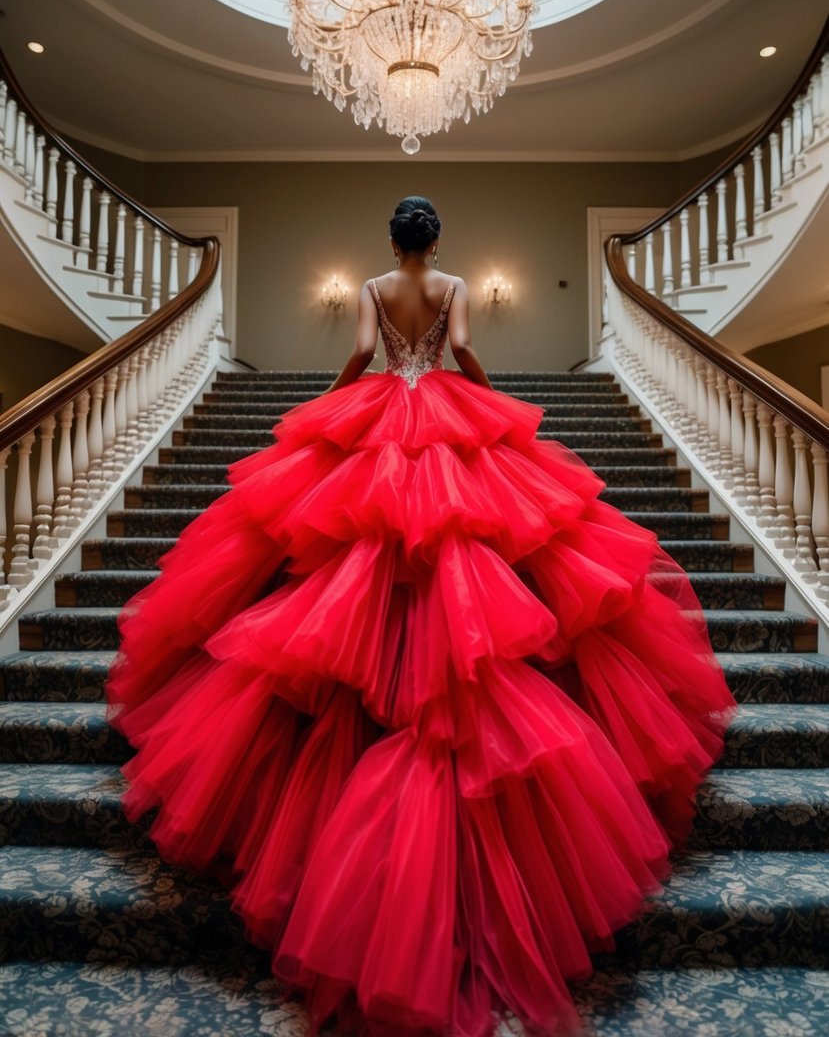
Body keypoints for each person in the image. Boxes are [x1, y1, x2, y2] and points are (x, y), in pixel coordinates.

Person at [108, 195, 736, 1037]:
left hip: (378, 417)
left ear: (389, 243)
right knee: (479, 565)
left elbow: (364, 354)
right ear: (434, 241)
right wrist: (484, 398)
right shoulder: (455, 284)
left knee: (349, 567)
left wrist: (319, 407)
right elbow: (467, 349)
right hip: (444, 410)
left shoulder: (370, 286)